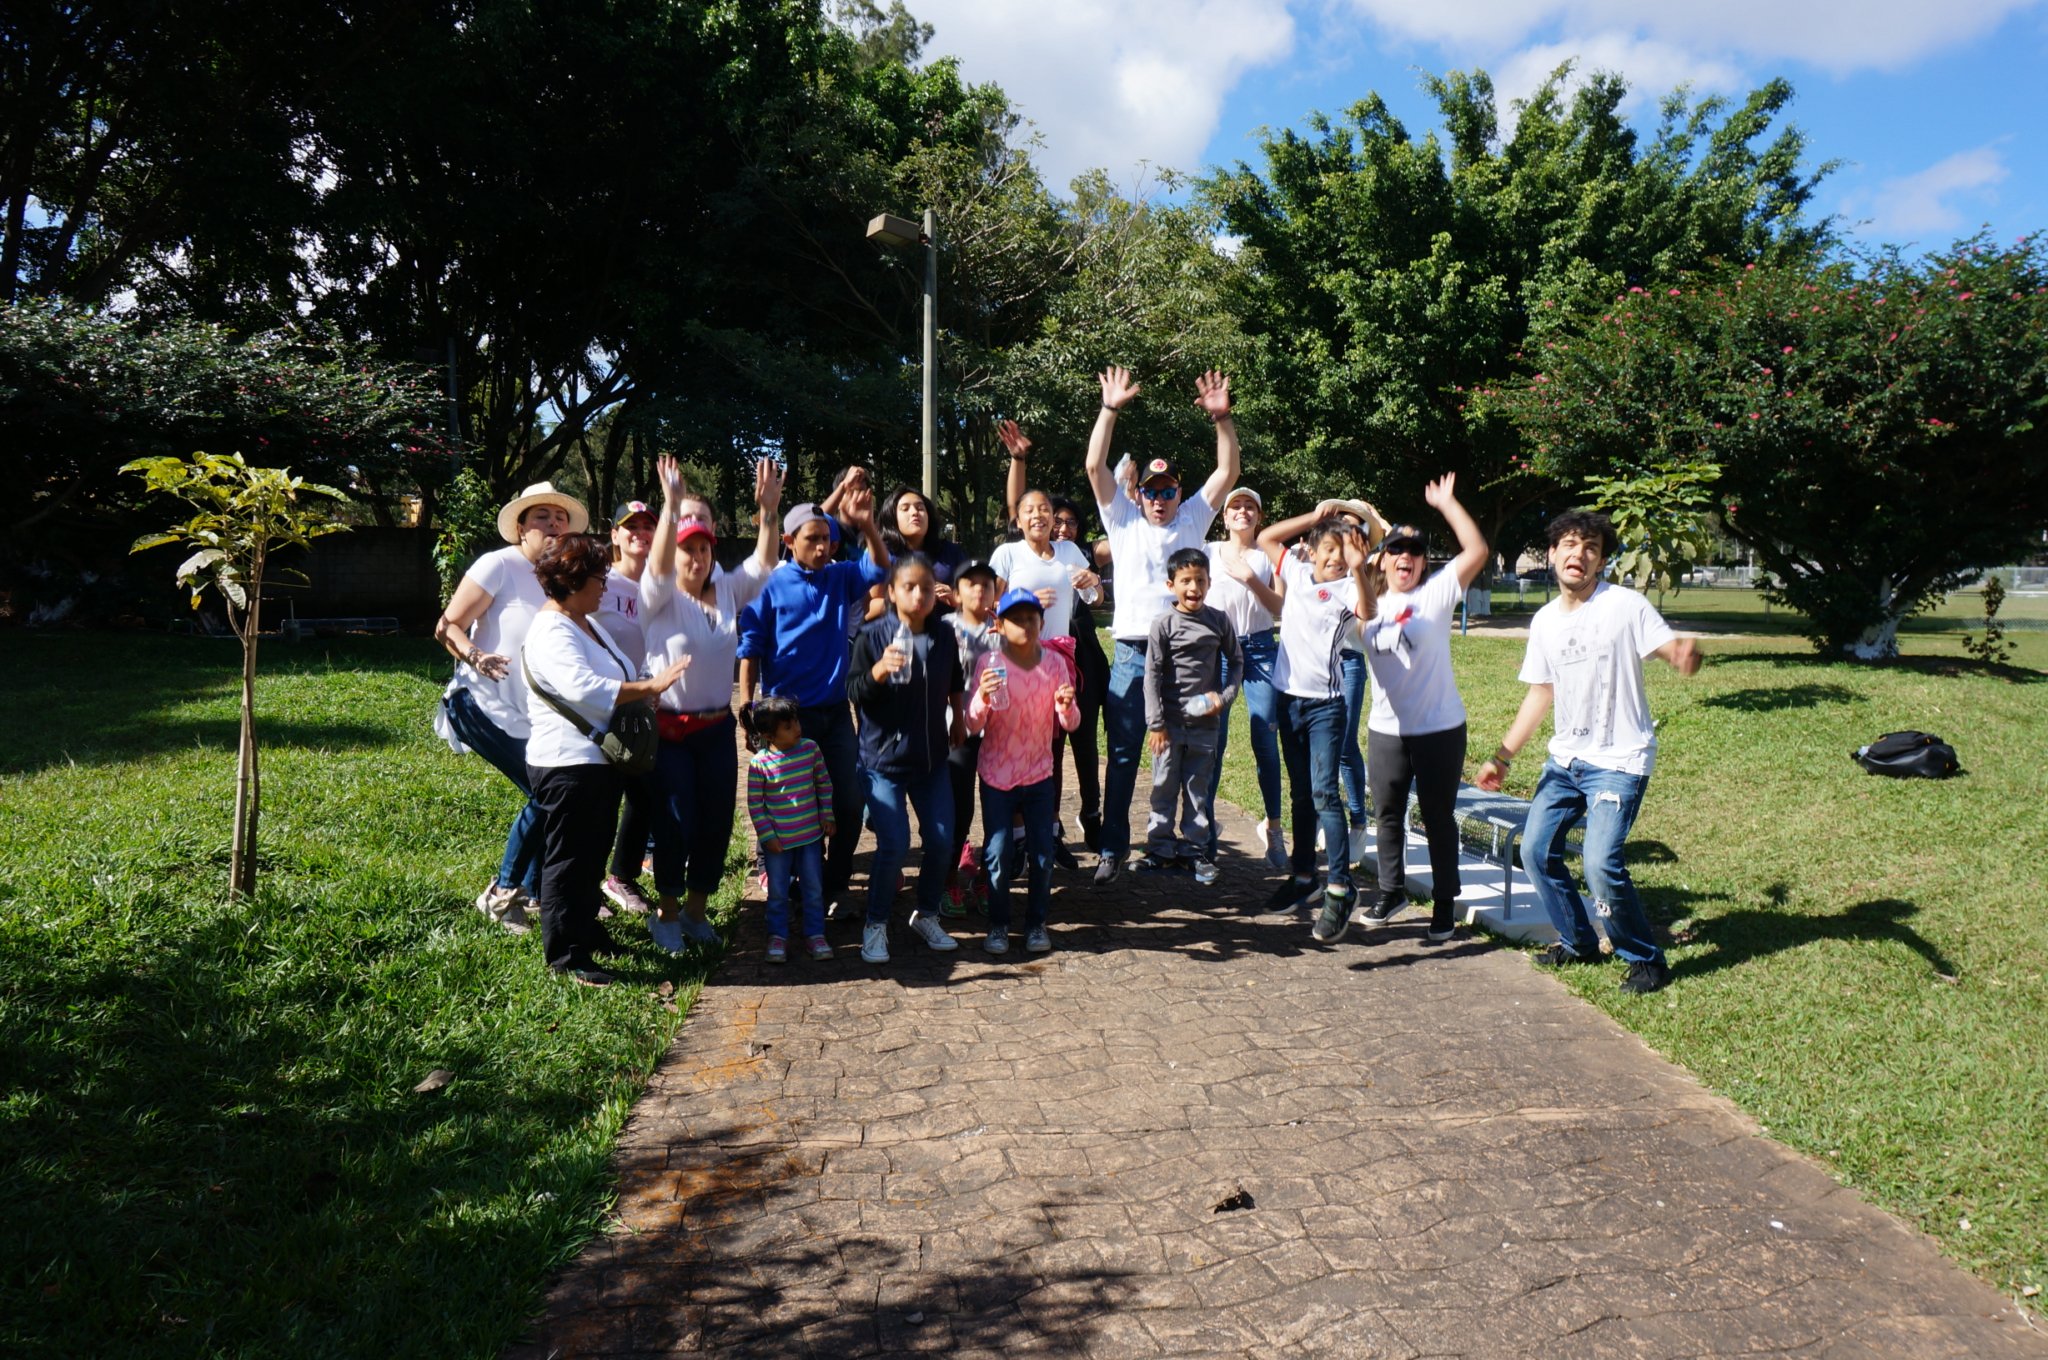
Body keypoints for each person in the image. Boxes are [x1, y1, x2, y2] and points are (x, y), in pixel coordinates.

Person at [1475, 510, 1702, 994]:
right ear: (1552, 553)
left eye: (1592, 548)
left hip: (1619, 762)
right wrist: (1502, 755)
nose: (1579, 554)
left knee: (1600, 864)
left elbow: (1667, 646)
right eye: (1570, 545)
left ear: (1601, 560)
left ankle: (1645, 959)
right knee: (1536, 851)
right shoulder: (1543, 622)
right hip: (1565, 762)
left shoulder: (1624, 605)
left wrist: (1683, 655)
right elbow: (1541, 692)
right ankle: (1577, 941)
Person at [1084, 364, 1239, 884]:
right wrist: (1108, 410)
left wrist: (1223, 420)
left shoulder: (1193, 517)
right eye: (1151, 492)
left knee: (1198, 755)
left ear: (1179, 493)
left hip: (1190, 657)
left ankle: (1196, 848)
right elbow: (1094, 466)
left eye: (1167, 491)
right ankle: (1113, 849)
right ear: (1141, 494)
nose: (1158, 499)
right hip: (1132, 655)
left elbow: (1227, 474)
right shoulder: (1123, 519)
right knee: (1127, 753)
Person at [521, 533, 689, 986]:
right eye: (598, 578)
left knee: (591, 856)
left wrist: (643, 686)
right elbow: (585, 688)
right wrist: (649, 689)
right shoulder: (552, 629)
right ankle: (567, 956)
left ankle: (587, 933)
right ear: (571, 581)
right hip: (568, 764)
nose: (605, 587)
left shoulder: (582, 621)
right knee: (569, 862)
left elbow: (618, 673)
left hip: (595, 764)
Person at [639, 454, 783, 951]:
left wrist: (768, 512)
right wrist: (671, 504)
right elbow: (658, 568)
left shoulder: (725, 589)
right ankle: (667, 913)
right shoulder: (657, 596)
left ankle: (697, 913)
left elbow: (763, 562)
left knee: (717, 821)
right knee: (676, 820)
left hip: (715, 728)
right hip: (671, 730)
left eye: (703, 549)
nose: (695, 558)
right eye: (686, 549)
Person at [434, 481, 588, 933]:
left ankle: (539, 892)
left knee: (548, 791)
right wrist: (476, 656)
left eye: (559, 517)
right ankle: (503, 893)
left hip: (533, 716)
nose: (553, 524)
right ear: (521, 528)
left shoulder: (559, 577)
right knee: (548, 791)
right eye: (542, 516)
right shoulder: (498, 565)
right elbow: (447, 625)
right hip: (478, 704)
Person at [736, 493, 889, 915]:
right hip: (785, 719)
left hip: (836, 713)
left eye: (828, 539)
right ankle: (778, 872)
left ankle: (831, 884)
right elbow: (750, 649)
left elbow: (880, 567)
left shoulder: (840, 576)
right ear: (789, 539)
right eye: (813, 539)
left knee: (847, 802)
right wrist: (748, 710)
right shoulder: (767, 584)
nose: (823, 547)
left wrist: (868, 524)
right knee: (786, 802)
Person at [1356, 475, 1490, 943]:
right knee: (1387, 813)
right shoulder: (1368, 603)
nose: (1406, 559)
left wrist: (1448, 504)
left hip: (1439, 728)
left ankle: (1444, 904)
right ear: (1384, 559)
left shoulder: (1437, 594)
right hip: (1387, 730)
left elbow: (1476, 551)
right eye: (1397, 551)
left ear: (1424, 562)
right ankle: (1391, 891)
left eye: (1415, 553)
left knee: (1437, 817)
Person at [1255, 504, 1383, 941]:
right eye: (1327, 549)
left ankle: (1339, 888)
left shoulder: (1349, 587)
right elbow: (1266, 537)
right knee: (1301, 794)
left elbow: (1368, 613)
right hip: (1287, 701)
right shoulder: (1295, 571)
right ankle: (1304, 875)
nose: (1334, 557)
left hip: (1325, 707)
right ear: (1311, 551)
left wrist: (1359, 567)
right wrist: (1313, 517)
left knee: (1326, 793)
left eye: (1342, 551)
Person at [996, 419, 1105, 868]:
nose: (1039, 516)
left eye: (1045, 509)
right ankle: (1018, 835)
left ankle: (1048, 832)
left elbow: (1093, 598)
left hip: (1060, 659)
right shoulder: (1008, 553)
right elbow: (993, 607)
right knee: (1014, 744)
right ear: (1018, 519)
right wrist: (1023, 603)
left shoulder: (1069, 552)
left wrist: (1093, 582)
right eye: (1031, 510)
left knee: (1051, 749)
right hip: (1017, 659)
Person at [848, 553, 967, 963]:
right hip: (883, 762)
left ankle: (927, 914)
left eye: (926, 587)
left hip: (931, 758)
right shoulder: (872, 634)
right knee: (894, 844)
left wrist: (959, 718)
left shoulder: (944, 634)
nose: (919, 595)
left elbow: (955, 679)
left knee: (940, 840)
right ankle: (876, 924)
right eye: (909, 587)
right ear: (892, 592)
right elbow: (855, 691)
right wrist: (879, 670)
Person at [965, 588, 1081, 955]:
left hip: (1039, 774)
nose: (1025, 626)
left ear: (1042, 623)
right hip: (997, 776)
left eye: (1032, 618)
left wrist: (1065, 706)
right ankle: (998, 925)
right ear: (998, 626)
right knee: (997, 853)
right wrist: (982, 697)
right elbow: (971, 723)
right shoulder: (989, 663)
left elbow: (1071, 722)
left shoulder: (1054, 663)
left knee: (1043, 854)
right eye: (1015, 619)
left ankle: (1035, 924)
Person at [1140, 547, 1243, 883]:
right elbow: (1152, 676)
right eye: (1185, 580)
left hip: (1205, 726)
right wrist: (1155, 723)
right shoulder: (1163, 624)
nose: (1193, 587)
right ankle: (1160, 850)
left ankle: (1194, 852)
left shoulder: (1219, 621)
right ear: (1172, 584)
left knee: (1198, 790)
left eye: (1200, 580)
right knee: (1163, 787)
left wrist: (1224, 698)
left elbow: (1237, 662)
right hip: (1167, 727)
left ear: (1209, 583)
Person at [1204, 486, 1287, 868]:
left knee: (1266, 740)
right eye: (1235, 505)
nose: (1242, 511)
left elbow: (1280, 607)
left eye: (1250, 506)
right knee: (1213, 743)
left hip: (1259, 650)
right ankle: (1203, 827)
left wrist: (1251, 578)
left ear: (1260, 516)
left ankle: (1273, 829)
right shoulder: (1207, 552)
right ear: (1224, 516)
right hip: (1216, 651)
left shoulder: (1268, 555)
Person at [598, 499, 658, 918]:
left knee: (645, 792)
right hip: (600, 704)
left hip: (644, 706)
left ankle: (620, 875)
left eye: (647, 525)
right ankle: (578, 884)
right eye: (629, 526)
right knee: (598, 798)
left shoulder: (660, 585)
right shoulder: (599, 582)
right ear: (614, 535)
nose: (639, 532)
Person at [740, 696, 834, 964]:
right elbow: (755, 804)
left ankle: (815, 934)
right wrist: (767, 836)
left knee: (813, 888)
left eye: (795, 722)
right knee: (778, 891)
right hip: (778, 843)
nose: (797, 728)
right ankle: (777, 936)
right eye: (788, 726)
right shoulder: (760, 764)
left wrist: (827, 814)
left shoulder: (811, 750)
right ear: (769, 735)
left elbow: (823, 784)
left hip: (810, 837)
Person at [942, 559, 1002, 915]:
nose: (979, 589)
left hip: (998, 732)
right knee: (959, 808)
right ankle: (947, 881)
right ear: (956, 592)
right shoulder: (945, 628)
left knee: (998, 809)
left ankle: (987, 877)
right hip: (958, 728)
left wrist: (1007, 643)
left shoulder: (1006, 628)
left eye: (987, 583)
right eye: (970, 583)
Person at [866, 485, 971, 620]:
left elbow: (975, 601)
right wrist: (904, 599)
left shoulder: (952, 552)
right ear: (892, 517)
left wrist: (954, 597)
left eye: (920, 508)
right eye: (905, 509)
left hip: (946, 636)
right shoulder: (882, 554)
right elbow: (868, 608)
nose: (914, 512)